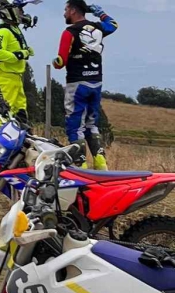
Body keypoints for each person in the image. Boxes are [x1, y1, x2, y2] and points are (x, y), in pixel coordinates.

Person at [53, 0, 117, 168]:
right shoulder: (97, 28)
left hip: (77, 83)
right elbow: (113, 25)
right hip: (96, 81)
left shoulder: (69, 32)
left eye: (66, 9)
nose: (64, 13)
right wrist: (100, 13)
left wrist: (55, 62)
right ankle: (100, 162)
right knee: (91, 124)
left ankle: (80, 164)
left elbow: (61, 61)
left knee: (75, 125)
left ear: (73, 10)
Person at [0, 0, 37, 124]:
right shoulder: (2, 31)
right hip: (4, 76)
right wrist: (20, 54)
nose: (23, 13)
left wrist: (26, 51)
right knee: (5, 113)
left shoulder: (14, 29)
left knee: (20, 112)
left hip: (15, 77)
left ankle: (20, 132)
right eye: (20, 10)